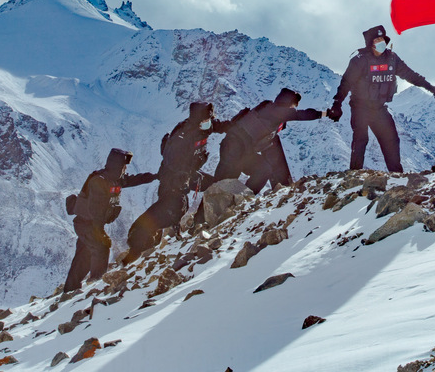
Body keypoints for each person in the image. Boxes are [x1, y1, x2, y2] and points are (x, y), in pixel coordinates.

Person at [122, 102, 230, 264]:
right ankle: (138, 245)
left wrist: (239, 123)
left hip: (187, 176)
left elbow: (217, 126)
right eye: (206, 120)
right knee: (173, 208)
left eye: (209, 120)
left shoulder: (201, 126)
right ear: (198, 121)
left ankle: (198, 221)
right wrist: (185, 174)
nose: (209, 123)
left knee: (214, 185)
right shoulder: (183, 136)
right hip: (172, 180)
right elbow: (171, 161)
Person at [328, 24, 435, 173]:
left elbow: (410, 75)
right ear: (370, 43)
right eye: (377, 39)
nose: (381, 42)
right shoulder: (359, 60)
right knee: (361, 140)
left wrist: (432, 88)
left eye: (383, 38)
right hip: (360, 107)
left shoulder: (392, 59)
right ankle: (353, 176)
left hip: (379, 108)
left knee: (392, 140)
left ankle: (396, 176)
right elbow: (346, 83)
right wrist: (337, 104)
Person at [63, 148, 156, 292]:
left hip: (90, 224)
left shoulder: (114, 179)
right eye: (123, 166)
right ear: (117, 165)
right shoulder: (99, 181)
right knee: (101, 247)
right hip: (87, 223)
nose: (125, 169)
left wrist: (155, 176)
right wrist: (99, 232)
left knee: (83, 257)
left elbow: (133, 180)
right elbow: (96, 211)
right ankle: (96, 285)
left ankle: (69, 290)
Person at [215, 88, 322, 193]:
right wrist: (325, 113)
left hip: (245, 152)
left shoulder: (270, 112)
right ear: (288, 103)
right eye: (293, 105)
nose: (293, 108)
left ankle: (242, 199)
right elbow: (299, 114)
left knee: (264, 169)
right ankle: (206, 208)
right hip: (233, 149)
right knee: (222, 186)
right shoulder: (274, 110)